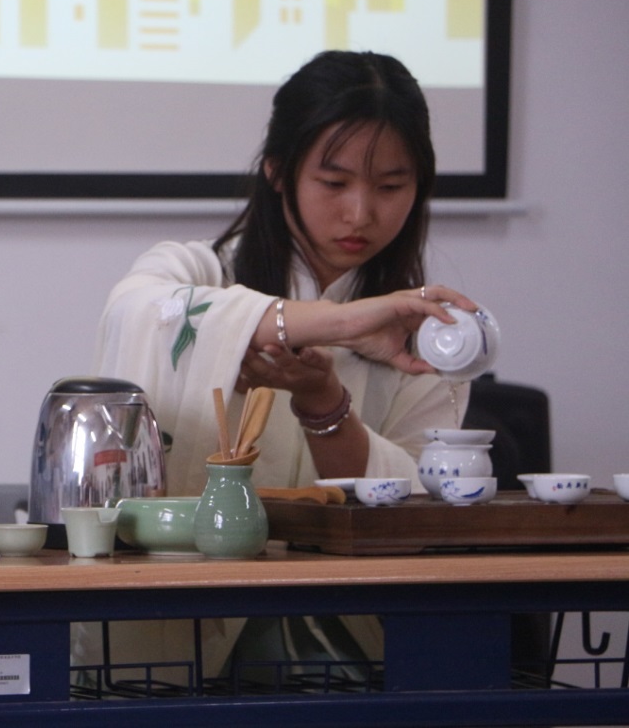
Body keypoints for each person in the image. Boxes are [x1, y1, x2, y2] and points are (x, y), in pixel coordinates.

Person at [84, 50, 479, 688]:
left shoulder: (422, 331)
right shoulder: (198, 271)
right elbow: (137, 310)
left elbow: (421, 508)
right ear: (276, 169)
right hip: (178, 618)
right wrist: (341, 322)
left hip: (350, 634)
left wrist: (325, 404)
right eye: (334, 182)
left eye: (390, 187)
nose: (360, 213)